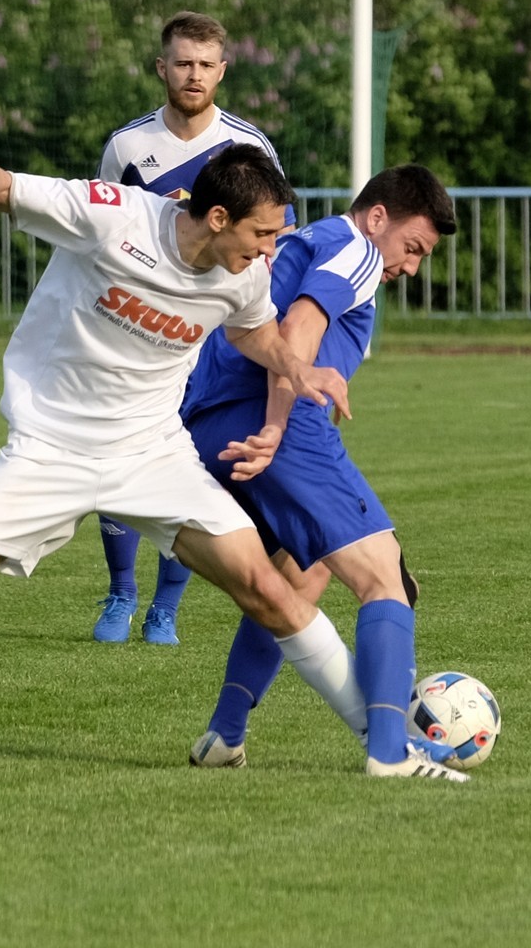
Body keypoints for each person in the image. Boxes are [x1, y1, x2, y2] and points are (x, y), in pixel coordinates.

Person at [0, 145, 462, 778]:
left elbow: (257, 334)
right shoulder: (117, 218)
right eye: (262, 234)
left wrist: (300, 368)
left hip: (153, 452)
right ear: (216, 217)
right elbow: (22, 190)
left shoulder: (246, 275)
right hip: (51, 448)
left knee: (269, 588)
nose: (273, 250)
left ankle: (386, 751)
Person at [181, 164, 459, 774]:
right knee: (385, 577)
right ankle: (391, 753)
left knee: (298, 576)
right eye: (413, 247)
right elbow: (299, 330)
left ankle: (225, 734)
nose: (412, 267)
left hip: (205, 427)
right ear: (378, 217)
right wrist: (277, 426)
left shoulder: (301, 240)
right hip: (271, 424)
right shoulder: (357, 250)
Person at [89, 10, 293, 648]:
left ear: (223, 71)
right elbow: (103, 229)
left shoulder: (249, 148)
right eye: (182, 63)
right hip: (134, 330)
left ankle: (165, 608)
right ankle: (121, 592)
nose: (193, 75)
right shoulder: (127, 147)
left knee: (187, 464)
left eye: (206, 64)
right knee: (116, 453)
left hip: (211, 335)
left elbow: (274, 237)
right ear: (162, 67)